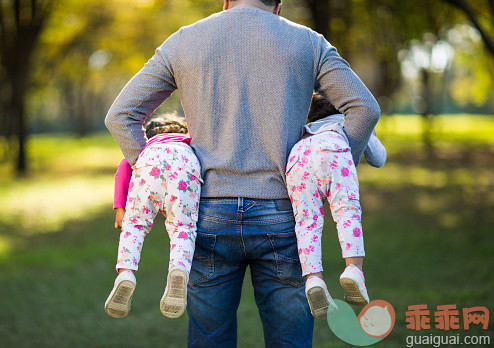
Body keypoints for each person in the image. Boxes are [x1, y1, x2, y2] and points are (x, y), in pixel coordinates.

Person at [105, 0, 381, 345]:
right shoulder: (309, 43)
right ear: (277, 5)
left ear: (225, 1)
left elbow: (120, 116)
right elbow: (365, 109)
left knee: (210, 339)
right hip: (284, 214)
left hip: (207, 216)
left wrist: (158, 181)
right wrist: (326, 177)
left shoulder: (183, 41)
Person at [286, 92, 386, 320]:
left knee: (306, 223)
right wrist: (370, 131)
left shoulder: (303, 129)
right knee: (346, 211)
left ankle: (313, 279)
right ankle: (354, 270)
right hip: (331, 147)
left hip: (298, 156)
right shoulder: (349, 120)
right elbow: (378, 158)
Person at [105, 113, 202, 319]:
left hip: (151, 162)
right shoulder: (190, 141)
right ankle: (179, 270)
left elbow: (124, 167)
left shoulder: (147, 145)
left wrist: (120, 207)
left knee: (135, 225)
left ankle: (126, 273)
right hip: (185, 162)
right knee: (182, 229)